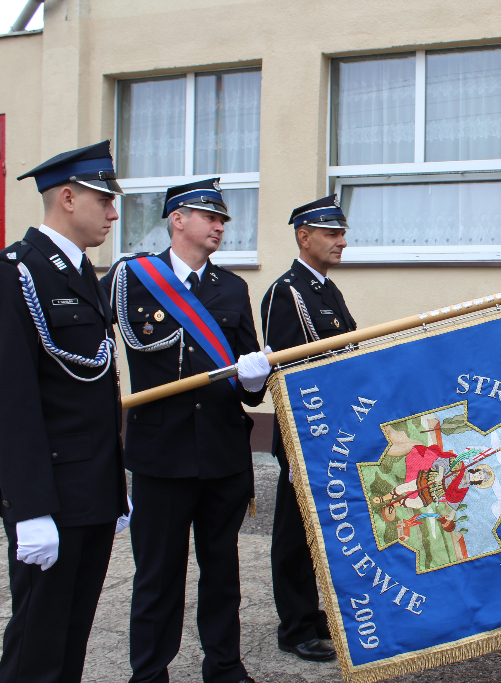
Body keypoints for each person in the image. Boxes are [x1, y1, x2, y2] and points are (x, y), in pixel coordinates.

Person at [99, 178, 271, 683]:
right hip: (161, 455)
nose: (220, 227)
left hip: (221, 453)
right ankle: (150, 673)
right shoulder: (131, 278)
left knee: (222, 572)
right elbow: (89, 340)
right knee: (157, 576)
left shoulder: (232, 288)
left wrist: (255, 380)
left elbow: (250, 389)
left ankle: (225, 667)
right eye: (210, 217)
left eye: (223, 220)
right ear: (178, 219)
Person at [0, 141, 130, 683]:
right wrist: (28, 509)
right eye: (104, 200)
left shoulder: (81, 273)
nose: (113, 213)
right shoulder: (18, 273)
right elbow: (12, 400)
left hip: (91, 491)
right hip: (51, 497)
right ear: (69, 198)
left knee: (72, 639)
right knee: (37, 647)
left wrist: (114, 488)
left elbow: (94, 390)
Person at [260, 195, 355, 662]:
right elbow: (288, 374)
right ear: (304, 236)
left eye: (342, 233)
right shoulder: (287, 292)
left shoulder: (325, 290)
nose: (342, 241)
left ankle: (311, 612)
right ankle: (294, 626)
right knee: (294, 534)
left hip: (332, 429)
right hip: (306, 432)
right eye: (331, 233)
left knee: (319, 528)